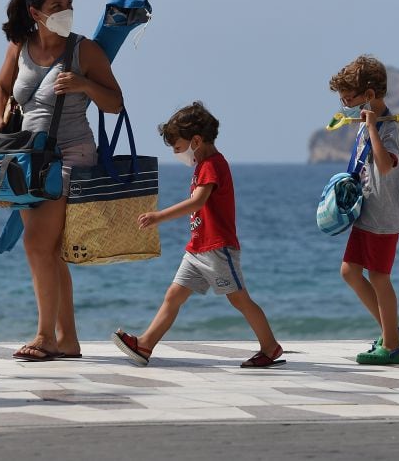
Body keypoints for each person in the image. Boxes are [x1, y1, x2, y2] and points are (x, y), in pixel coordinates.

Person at [0, 0, 124, 361]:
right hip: (27, 158)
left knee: (36, 245)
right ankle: (67, 340)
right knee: (48, 250)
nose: (66, 11)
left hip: (70, 155)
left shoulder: (86, 51)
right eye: (56, 6)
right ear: (35, 13)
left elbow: (115, 103)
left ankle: (45, 336)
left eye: (69, 4)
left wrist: (84, 85)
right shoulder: (20, 47)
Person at [112, 102, 284, 368]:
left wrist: (159, 216)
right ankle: (145, 345)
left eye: (178, 148)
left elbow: (197, 202)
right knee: (174, 295)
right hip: (198, 247)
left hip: (217, 247)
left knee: (239, 298)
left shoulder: (212, 165)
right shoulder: (203, 165)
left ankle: (270, 347)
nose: (176, 153)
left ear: (196, 140)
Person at [329, 55, 399, 365]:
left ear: (370, 95)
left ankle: (391, 347)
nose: (344, 103)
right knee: (349, 271)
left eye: (349, 98)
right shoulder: (365, 124)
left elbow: (385, 166)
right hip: (365, 213)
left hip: (384, 217)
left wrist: (373, 129)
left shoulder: (389, 128)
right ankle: (391, 331)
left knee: (379, 277)